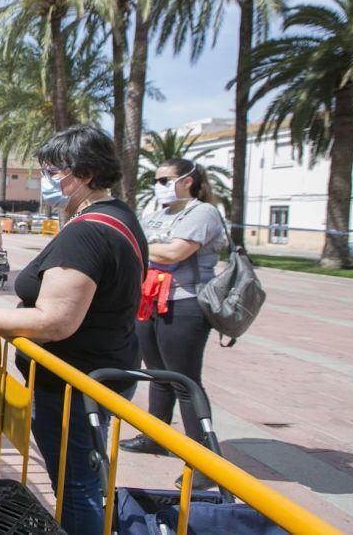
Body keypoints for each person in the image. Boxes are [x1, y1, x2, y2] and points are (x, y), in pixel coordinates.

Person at [0, 125, 147, 534]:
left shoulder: (89, 231)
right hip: (102, 369)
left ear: (86, 172)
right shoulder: (120, 217)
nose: (46, 180)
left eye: (53, 171)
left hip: (73, 381)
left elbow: (53, 321)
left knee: (74, 484)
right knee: (87, 473)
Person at [119, 158, 227, 489]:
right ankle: (157, 435)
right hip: (149, 301)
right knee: (157, 375)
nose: (160, 184)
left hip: (185, 304)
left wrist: (136, 245)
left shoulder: (202, 213)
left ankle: (205, 463)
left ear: (188, 181)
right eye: (157, 179)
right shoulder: (157, 215)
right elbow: (147, 249)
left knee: (184, 380)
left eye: (166, 179)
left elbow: (175, 253)